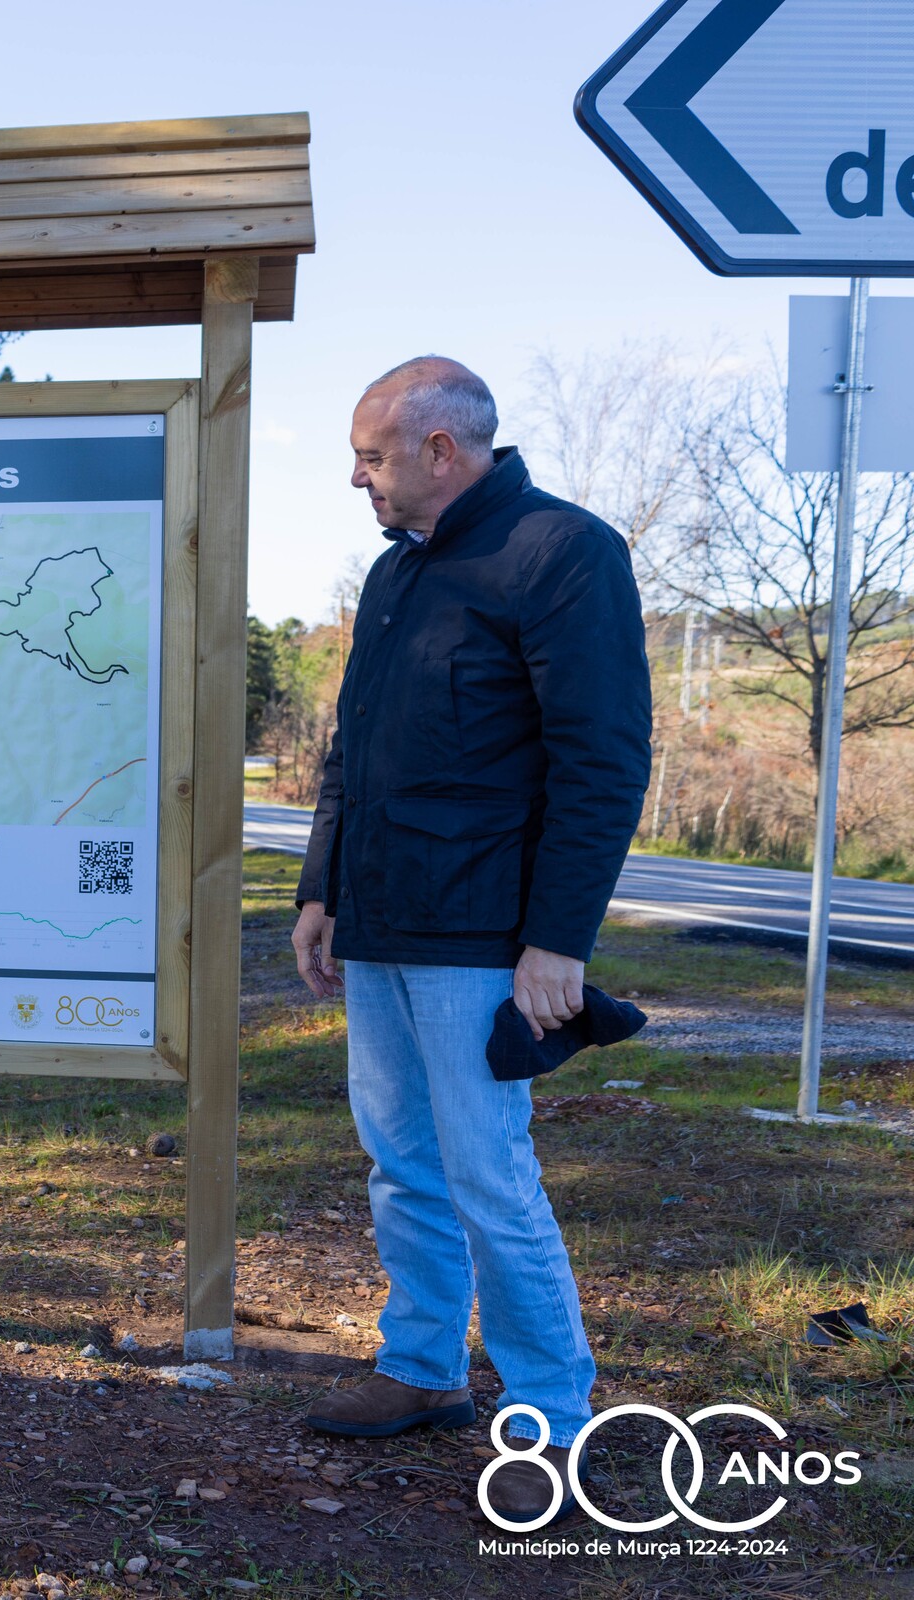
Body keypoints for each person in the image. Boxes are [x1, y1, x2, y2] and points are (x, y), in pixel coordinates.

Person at [290, 357, 651, 1525]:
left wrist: (557, 941)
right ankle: (423, 1367)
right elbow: (350, 749)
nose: (358, 477)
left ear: (441, 450)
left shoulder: (564, 552)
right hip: (382, 921)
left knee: (490, 1172)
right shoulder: (396, 571)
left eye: (372, 456)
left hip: (483, 937)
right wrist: (320, 889)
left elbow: (602, 761)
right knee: (401, 1161)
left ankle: (552, 1415)